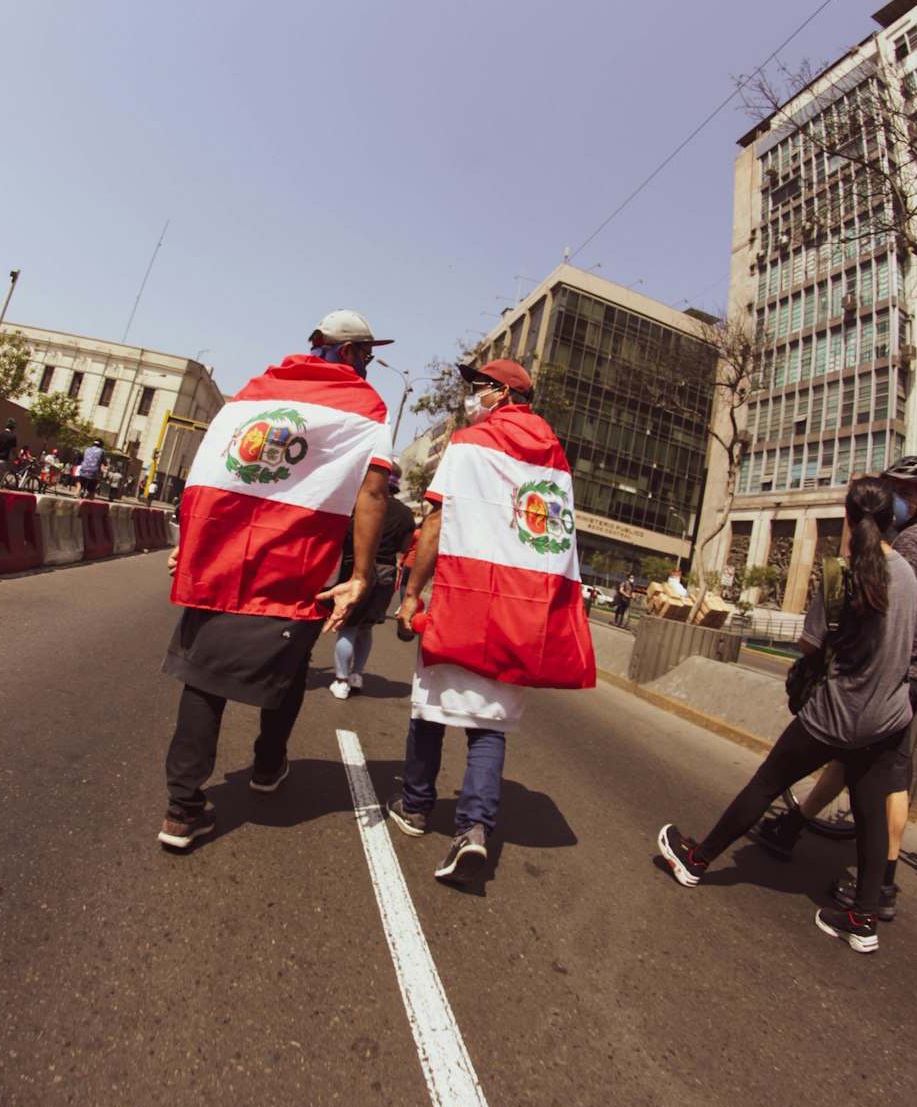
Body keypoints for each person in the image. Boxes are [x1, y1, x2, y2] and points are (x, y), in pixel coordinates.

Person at [157, 308, 394, 850]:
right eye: (370, 356)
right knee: (286, 672)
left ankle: (182, 808)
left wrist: (193, 543)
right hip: (294, 565)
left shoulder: (254, 391)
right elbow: (372, 492)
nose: (370, 365)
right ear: (353, 353)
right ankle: (267, 766)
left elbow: (208, 470)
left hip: (224, 562)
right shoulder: (365, 406)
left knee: (203, 675)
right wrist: (360, 576)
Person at [658, 475, 917, 954]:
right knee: (870, 813)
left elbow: (809, 644)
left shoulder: (841, 573)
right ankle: (863, 918)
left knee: (766, 782)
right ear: (891, 522)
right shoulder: (906, 574)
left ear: (847, 517)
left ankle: (696, 859)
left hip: (836, 714)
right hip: (886, 719)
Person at [389, 359, 596, 883]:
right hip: (522, 613)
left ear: (502, 393)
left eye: (478, 388)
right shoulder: (556, 459)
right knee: (488, 725)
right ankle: (473, 830)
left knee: (430, 708)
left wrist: (412, 594)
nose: (471, 397)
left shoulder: (468, 444)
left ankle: (415, 806)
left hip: (466, 601)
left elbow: (435, 521)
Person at [751, 454, 917, 921]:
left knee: (888, 782)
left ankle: (881, 886)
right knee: (848, 762)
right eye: (892, 491)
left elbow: (890, 608)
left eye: (904, 493)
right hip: (902, 676)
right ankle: (792, 828)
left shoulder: (914, 545)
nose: (897, 499)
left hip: (898, 678)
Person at [329, 463, 416, 698]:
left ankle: (341, 680)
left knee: (348, 626)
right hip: (386, 574)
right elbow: (406, 547)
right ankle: (357, 674)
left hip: (358, 569)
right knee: (365, 629)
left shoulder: (359, 505)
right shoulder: (406, 513)